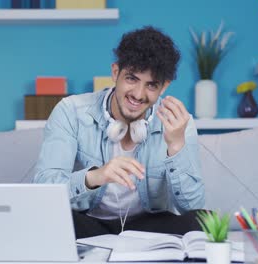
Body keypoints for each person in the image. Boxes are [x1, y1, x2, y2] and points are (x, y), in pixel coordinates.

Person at [33, 26, 205, 238]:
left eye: (151, 85)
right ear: (116, 72)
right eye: (132, 79)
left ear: (164, 87)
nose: (139, 94)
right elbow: (44, 190)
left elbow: (193, 207)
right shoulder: (70, 111)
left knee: (202, 220)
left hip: (148, 225)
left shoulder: (179, 123)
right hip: (89, 222)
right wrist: (97, 175)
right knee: (45, 220)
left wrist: (176, 147)